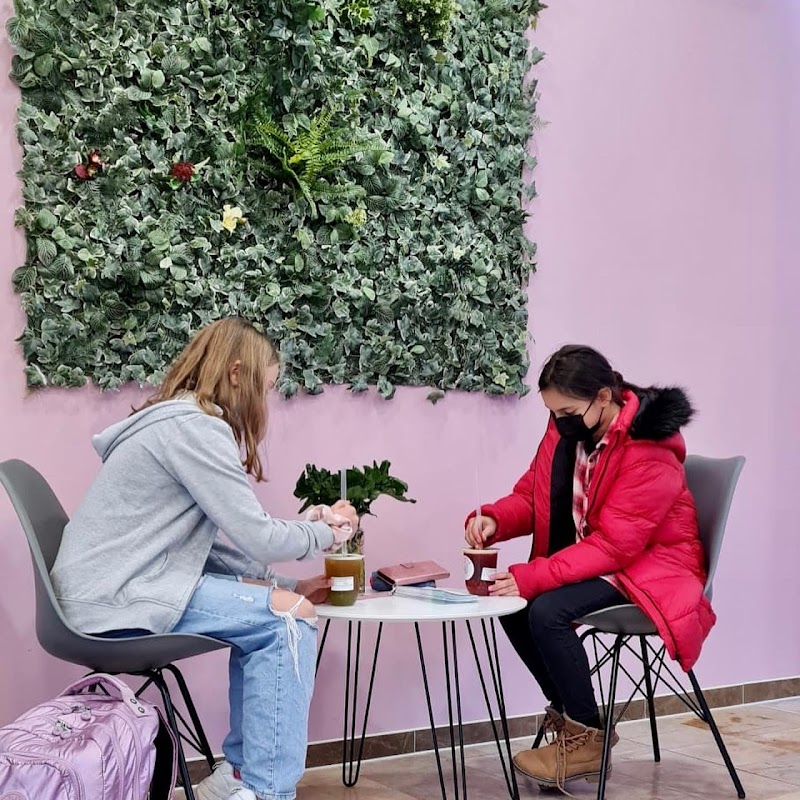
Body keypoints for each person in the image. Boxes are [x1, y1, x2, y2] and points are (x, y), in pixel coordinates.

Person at [51, 318, 357, 800]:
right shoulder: (196, 428)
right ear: (238, 374)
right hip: (119, 597)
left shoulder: (174, 421)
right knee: (286, 622)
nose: (266, 401)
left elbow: (210, 547)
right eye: (266, 386)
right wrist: (327, 530)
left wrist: (285, 585)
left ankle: (239, 777)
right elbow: (257, 535)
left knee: (274, 612)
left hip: (106, 590)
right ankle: (265, 790)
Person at [465, 345, 714, 792]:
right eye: (552, 411)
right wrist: (494, 519)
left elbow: (619, 545)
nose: (560, 420)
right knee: (515, 604)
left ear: (604, 396)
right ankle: (582, 728)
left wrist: (534, 575)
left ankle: (583, 737)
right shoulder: (569, 432)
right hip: (602, 557)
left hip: (651, 568)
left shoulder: (648, 448)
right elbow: (534, 497)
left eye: (568, 410)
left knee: (545, 610)